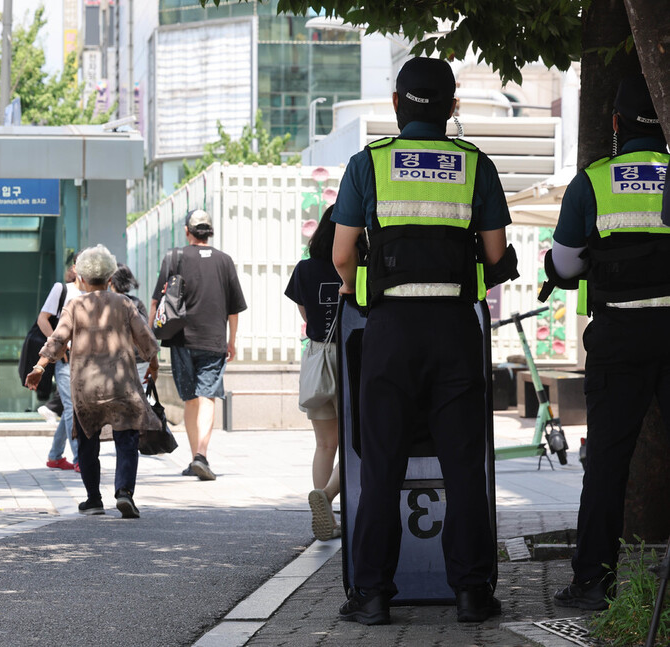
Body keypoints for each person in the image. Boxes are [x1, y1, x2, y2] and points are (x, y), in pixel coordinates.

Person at [330, 57, 517, 625]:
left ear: (395, 104)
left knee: (382, 463)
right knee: (464, 466)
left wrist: (354, 287)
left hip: (388, 331)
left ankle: (373, 595)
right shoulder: (475, 165)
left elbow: (341, 253)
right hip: (455, 330)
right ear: (452, 105)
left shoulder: (369, 165)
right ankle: (470, 593)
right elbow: (493, 254)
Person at [545, 74, 670, 611]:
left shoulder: (593, 182)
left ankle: (594, 583)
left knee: (608, 464)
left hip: (619, 335)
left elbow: (566, 264)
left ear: (616, 124)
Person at [25, 245, 160, 518]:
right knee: (127, 439)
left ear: (82, 279)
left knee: (88, 441)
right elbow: (145, 337)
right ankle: (124, 493)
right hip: (121, 383)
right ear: (110, 278)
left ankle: (93, 500)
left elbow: (59, 338)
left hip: (86, 386)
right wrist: (153, 365)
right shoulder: (123, 304)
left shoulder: (74, 305)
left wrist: (40, 366)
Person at [285, 206, 365, 541]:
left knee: (324, 443)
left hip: (318, 356)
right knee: (358, 442)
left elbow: (306, 314)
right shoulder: (361, 265)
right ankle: (330, 494)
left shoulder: (304, 269)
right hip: (356, 355)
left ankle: (325, 513)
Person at [149, 209, 247, 481]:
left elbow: (157, 302)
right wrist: (232, 341)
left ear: (187, 231)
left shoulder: (174, 257)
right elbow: (234, 308)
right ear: (210, 230)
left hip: (181, 339)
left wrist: (151, 341)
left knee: (190, 399)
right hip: (214, 340)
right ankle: (200, 456)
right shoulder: (224, 261)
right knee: (208, 398)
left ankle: (196, 457)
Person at [38, 256, 82, 471]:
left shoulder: (98, 292)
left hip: (89, 360)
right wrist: (58, 346)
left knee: (70, 408)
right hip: (66, 359)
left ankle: (55, 456)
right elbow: (42, 319)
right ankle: (79, 459)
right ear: (75, 267)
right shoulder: (62, 289)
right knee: (72, 407)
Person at [110, 263, 151, 383]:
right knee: (142, 394)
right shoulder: (137, 302)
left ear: (110, 281)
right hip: (140, 358)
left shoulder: (106, 304)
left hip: (116, 359)